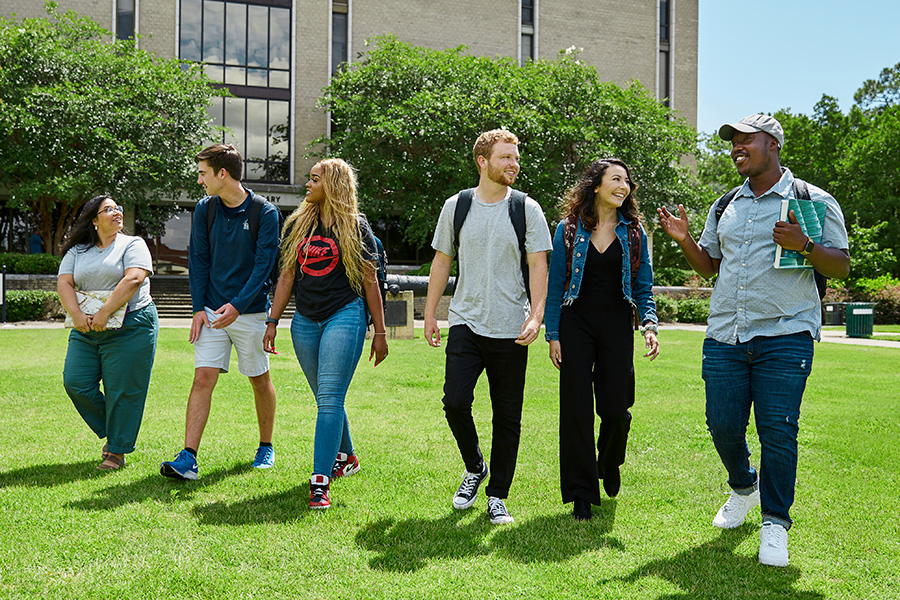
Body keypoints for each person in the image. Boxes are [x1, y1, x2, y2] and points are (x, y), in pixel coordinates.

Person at [657, 114, 850, 566]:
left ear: (774, 145)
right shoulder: (726, 205)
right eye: (733, 142)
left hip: (786, 332)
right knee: (721, 424)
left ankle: (775, 524)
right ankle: (744, 486)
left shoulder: (811, 200)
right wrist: (686, 240)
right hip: (727, 333)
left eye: (747, 141)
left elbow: (840, 266)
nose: (737, 148)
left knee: (777, 430)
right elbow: (709, 267)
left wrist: (805, 245)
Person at [424, 129, 552, 525]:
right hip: (465, 319)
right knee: (455, 401)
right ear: (483, 161)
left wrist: (536, 314)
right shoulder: (457, 205)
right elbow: (442, 260)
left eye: (516, 157)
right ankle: (474, 465)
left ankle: (498, 494)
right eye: (506, 157)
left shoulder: (526, 208)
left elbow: (537, 264)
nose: (514, 163)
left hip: (511, 325)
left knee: (507, 414)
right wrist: (431, 313)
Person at [263, 158, 387, 510]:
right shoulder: (297, 225)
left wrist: (379, 330)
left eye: (314, 179)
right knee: (325, 396)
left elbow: (369, 281)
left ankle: (319, 482)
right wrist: (272, 322)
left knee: (330, 397)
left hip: (344, 315)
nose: (308, 184)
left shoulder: (356, 228)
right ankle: (347, 457)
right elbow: (286, 276)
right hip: (304, 319)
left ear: (332, 185)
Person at [544, 159, 659, 520]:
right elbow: (554, 286)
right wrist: (552, 334)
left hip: (616, 323)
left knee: (614, 409)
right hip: (575, 322)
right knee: (576, 408)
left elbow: (643, 287)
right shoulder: (568, 229)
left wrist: (650, 325)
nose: (623, 186)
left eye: (627, 180)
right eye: (616, 179)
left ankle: (609, 461)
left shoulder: (635, 232)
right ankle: (581, 491)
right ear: (596, 186)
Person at [161, 143, 279, 480]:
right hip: (212, 311)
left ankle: (265, 445)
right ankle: (188, 457)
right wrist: (199, 308)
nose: (200, 180)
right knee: (202, 378)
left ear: (222, 174)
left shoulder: (265, 212)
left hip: (251, 312)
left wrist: (239, 306)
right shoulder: (204, 209)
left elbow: (264, 268)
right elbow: (198, 260)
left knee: (259, 380)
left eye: (203, 173)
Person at [57, 195, 158, 470]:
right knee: (75, 382)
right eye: (108, 209)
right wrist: (78, 315)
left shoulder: (133, 244)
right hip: (85, 330)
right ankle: (116, 430)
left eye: (118, 208)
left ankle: (116, 451)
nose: (116, 212)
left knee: (123, 391)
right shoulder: (77, 250)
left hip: (131, 326)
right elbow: (64, 282)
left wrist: (104, 313)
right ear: (94, 220)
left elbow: (135, 278)